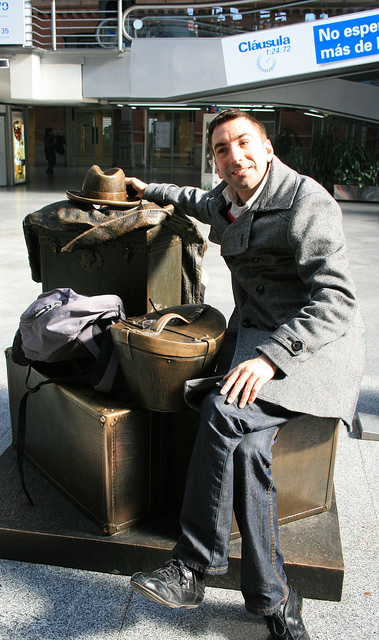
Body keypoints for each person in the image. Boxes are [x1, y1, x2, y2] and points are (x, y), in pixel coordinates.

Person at [125, 109, 365, 640]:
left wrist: (270, 358)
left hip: (312, 348)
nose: (235, 157)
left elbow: (337, 300)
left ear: (267, 148)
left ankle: (191, 566)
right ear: (215, 162)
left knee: (221, 410)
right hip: (258, 338)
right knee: (251, 450)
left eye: (243, 143)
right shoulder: (227, 199)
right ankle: (275, 600)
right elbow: (193, 199)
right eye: (221, 149)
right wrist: (149, 189)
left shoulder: (306, 201)